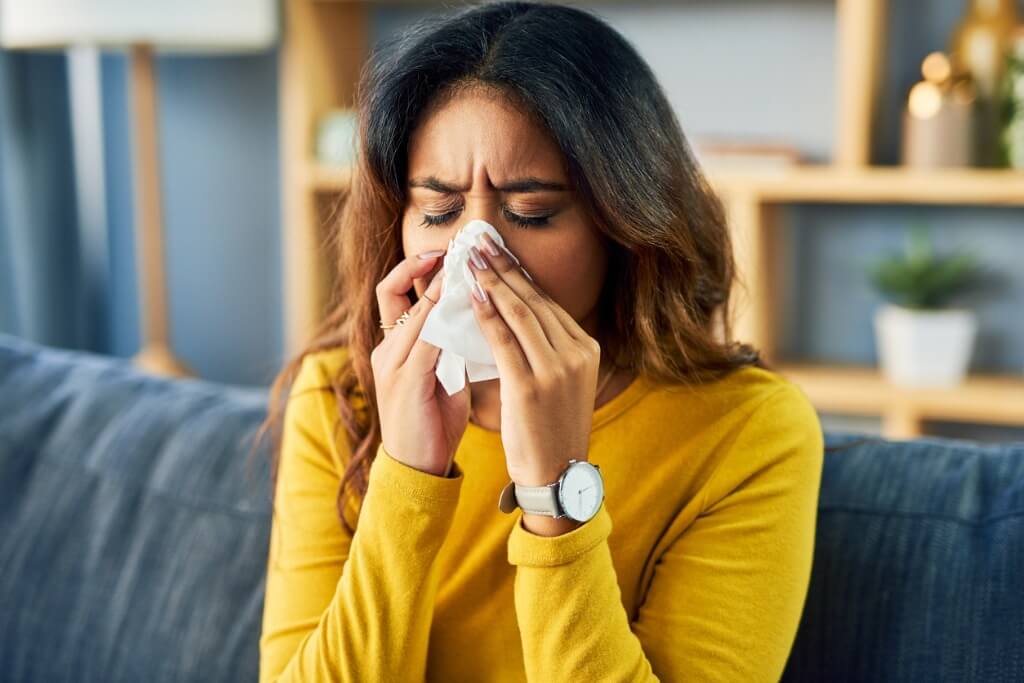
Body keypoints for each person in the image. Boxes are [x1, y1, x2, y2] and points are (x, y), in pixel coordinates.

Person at [256, 2, 825, 681]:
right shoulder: (339, 394)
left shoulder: (749, 431)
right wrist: (407, 474)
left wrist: (557, 492)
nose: (475, 250)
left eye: (531, 211)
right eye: (438, 210)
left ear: (623, 224)